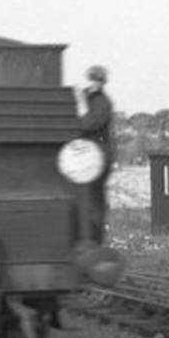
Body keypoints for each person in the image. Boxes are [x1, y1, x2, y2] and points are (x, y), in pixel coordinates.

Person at [77, 65, 114, 244]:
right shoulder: (88, 98)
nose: (92, 83)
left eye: (96, 80)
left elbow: (88, 124)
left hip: (98, 157)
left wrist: (80, 104)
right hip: (88, 155)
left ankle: (94, 241)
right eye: (92, 79)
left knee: (93, 201)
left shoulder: (101, 102)